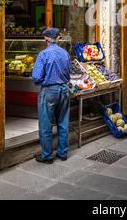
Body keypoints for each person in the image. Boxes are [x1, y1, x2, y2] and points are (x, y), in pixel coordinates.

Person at [32, 28, 71, 164]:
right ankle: (63, 153)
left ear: (46, 39)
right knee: (63, 122)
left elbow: (36, 77)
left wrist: (45, 81)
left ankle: (47, 156)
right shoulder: (65, 53)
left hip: (49, 91)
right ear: (57, 39)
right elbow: (69, 73)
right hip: (64, 89)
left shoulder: (43, 54)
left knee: (45, 125)